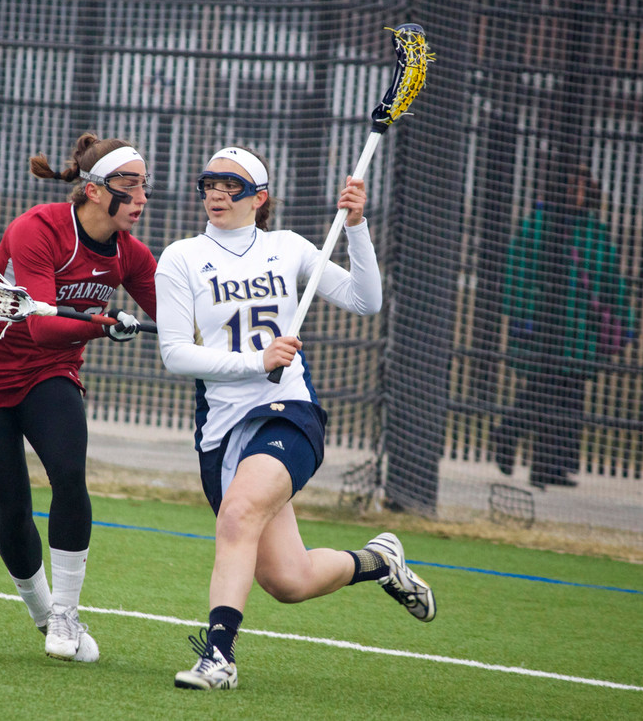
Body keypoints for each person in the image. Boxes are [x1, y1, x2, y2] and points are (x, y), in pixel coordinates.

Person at [154, 146, 436, 691]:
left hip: (288, 412)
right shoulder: (181, 257)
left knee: (237, 515)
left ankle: (218, 657)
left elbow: (365, 299)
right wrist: (253, 361)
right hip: (222, 428)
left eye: (230, 185)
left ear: (259, 198)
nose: (215, 192)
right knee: (289, 580)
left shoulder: (289, 249)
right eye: (208, 182)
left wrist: (357, 227)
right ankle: (380, 562)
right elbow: (174, 354)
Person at [0, 133, 157, 662]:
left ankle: (65, 613)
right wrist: (105, 329)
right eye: (130, 185)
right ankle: (43, 614)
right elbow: (40, 326)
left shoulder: (132, 256)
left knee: (68, 472)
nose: (142, 198)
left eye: (145, 185)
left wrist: (249, 346)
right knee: (13, 507)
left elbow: (179, 325)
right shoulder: (36, 228)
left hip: (49, 372)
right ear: (93, 189)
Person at [492, 162, 632, 490]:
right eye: (569, 186)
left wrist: (625, 321)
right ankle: (510, 432)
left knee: (570, 399)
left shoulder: (594, 232)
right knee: (544, 390)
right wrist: (523, 313)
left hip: (583, 333)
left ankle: (551, 465)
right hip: (545, 331)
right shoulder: (537, 226)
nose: (576, 194)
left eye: (581, 187)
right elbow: (516, 273)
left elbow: (613, 281)